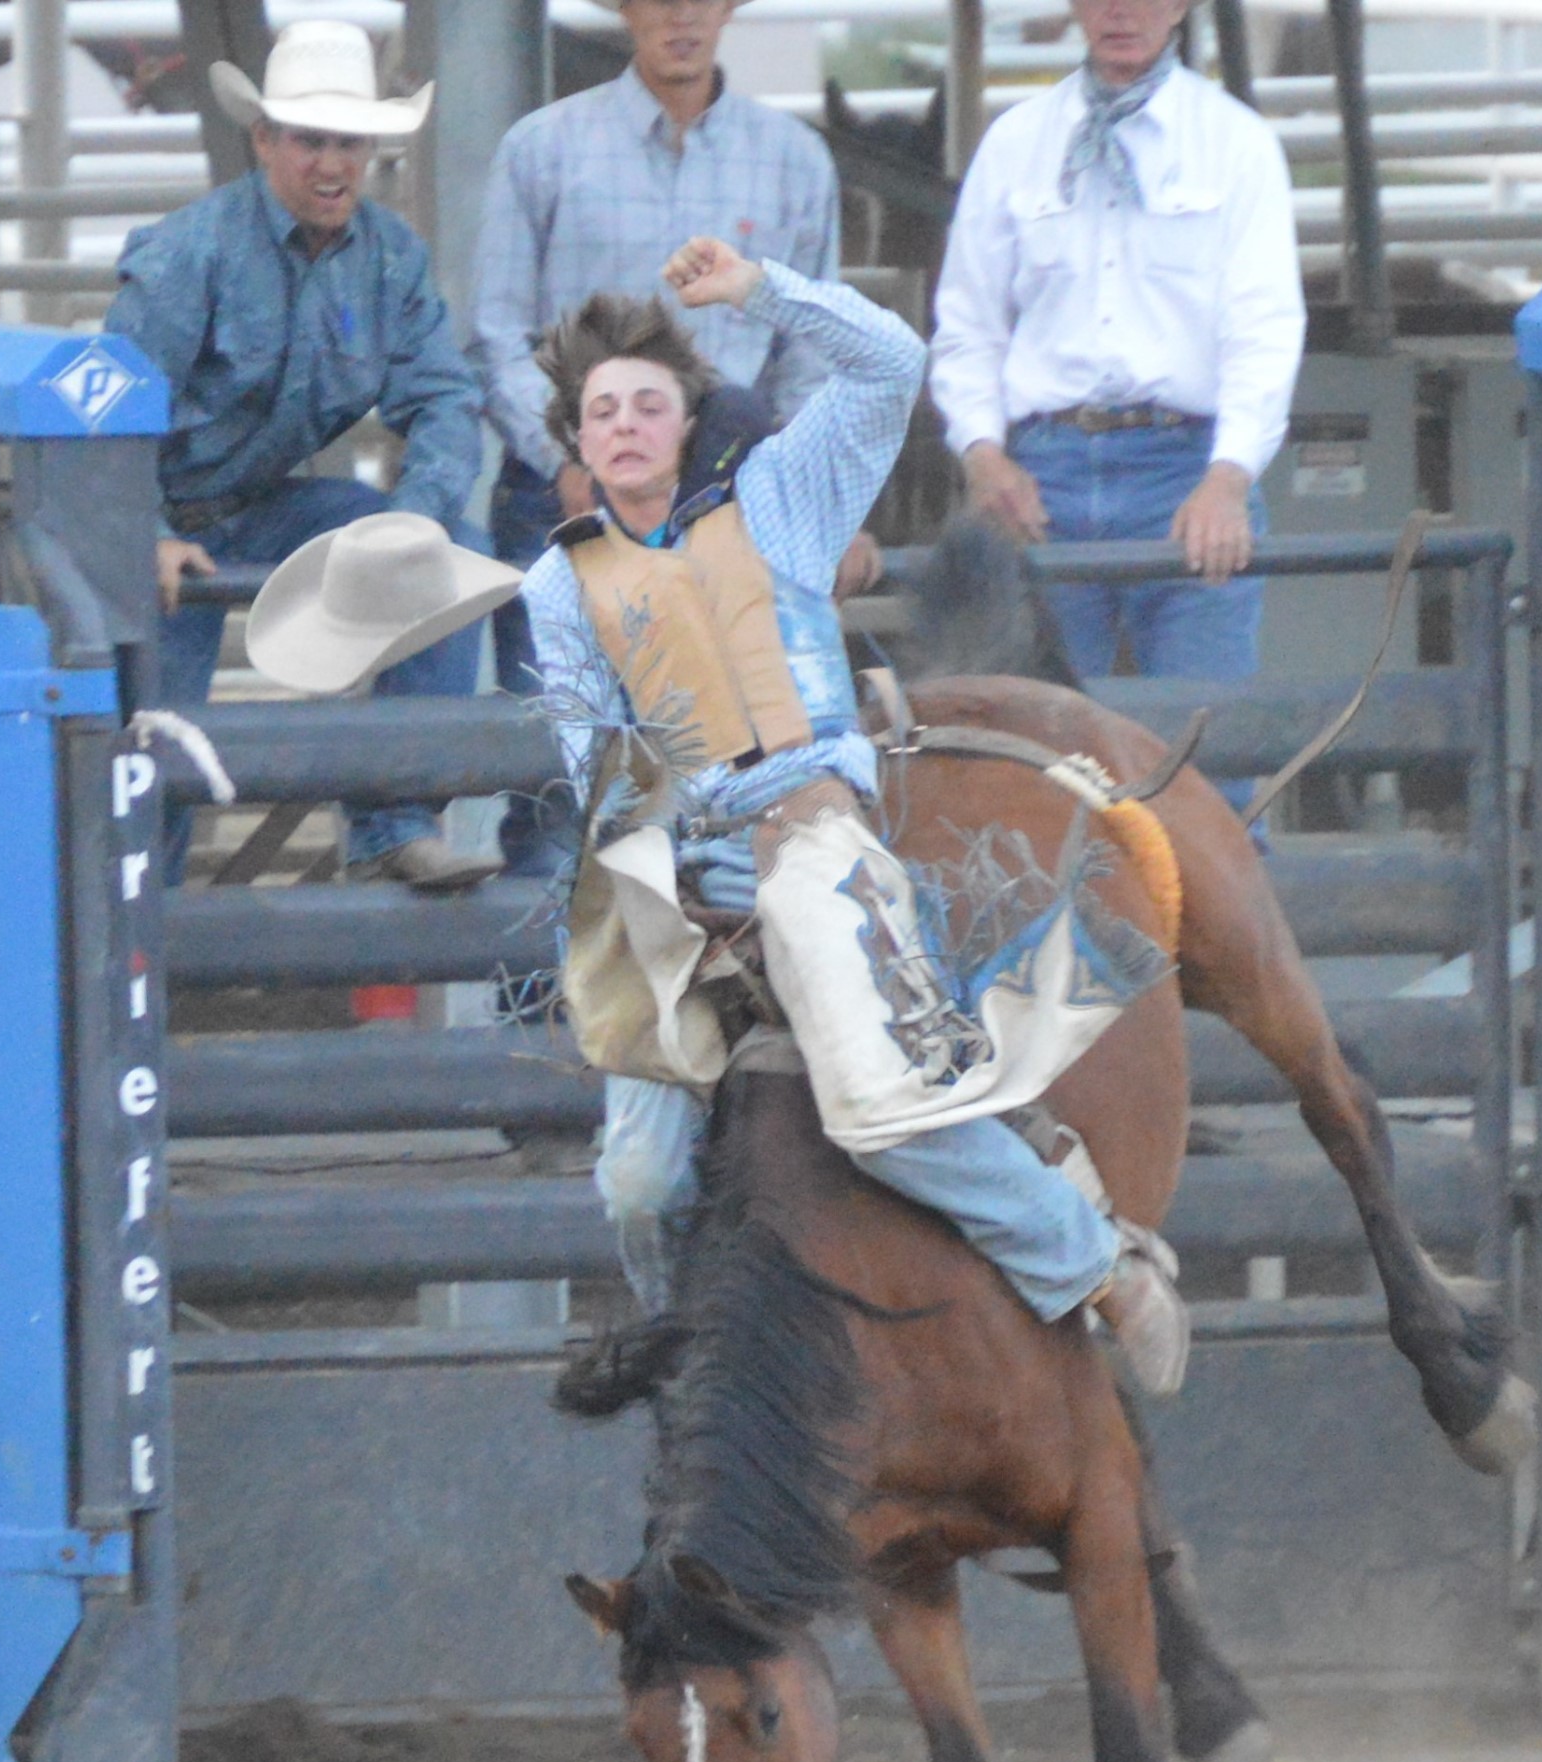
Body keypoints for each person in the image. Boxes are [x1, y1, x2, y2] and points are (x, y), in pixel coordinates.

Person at [522, 238, 1188, 1393]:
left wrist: (763, 291)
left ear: (685, 424)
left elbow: (890, 365)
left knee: (878, 1101)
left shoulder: (780, 498)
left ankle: (1094, 1264)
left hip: (818, 846)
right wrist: (672, 856)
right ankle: (703, 1379)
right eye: (602, 410)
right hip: (672, 884)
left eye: (648, 403)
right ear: (576, 442)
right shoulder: (560, 588)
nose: (625, 424)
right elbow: (594, 756)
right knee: (635, 1182)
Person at [105, 18, 500, 891]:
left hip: (266, 502)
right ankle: (137, 953)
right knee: (152, 759)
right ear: (265, 140)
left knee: (447, 551)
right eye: (311, 140)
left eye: (349, 142)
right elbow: (113, 412)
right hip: (156, 519)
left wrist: (418, 515)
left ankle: (394, 820)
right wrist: (149, 529)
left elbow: (443, 395)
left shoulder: (389, 258)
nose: (333, 164)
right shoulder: (189, 254)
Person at [473, 0, 873, 707]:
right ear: (626, 10)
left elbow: (807, 353)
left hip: (729, 489)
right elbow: (498, 334)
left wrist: (808, 494)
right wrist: (565, 456)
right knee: (565, 759)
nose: (681, 17)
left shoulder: (795, 160)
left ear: (726, 10)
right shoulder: (541, 149)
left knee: (732, 748)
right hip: (573, 493)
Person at [928, 0, 1305, 686]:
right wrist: (984, 457)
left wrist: (1229, 477)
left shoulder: (1236, 143)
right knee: (1037, 752)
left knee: (1208, 743)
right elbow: (967, 323)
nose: (1121, 9)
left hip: (1188, 468)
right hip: (1042, 476)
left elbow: (1265, 328)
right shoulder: (1016, 143)